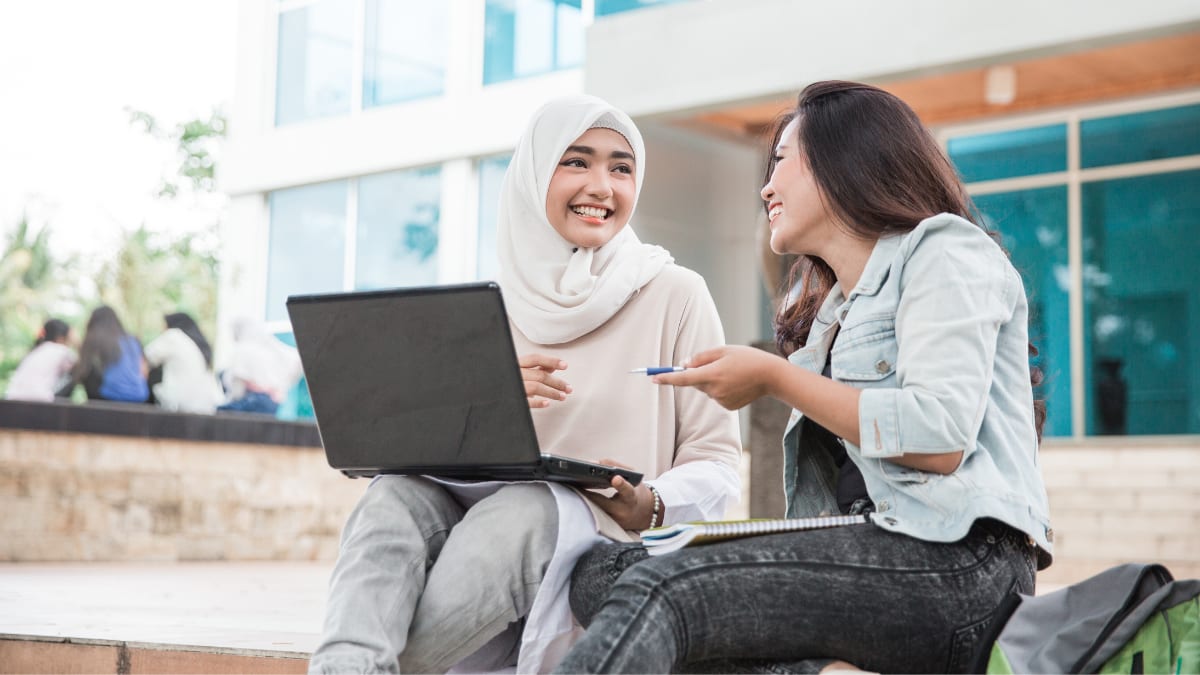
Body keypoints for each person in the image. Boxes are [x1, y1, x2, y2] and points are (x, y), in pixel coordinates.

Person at [556, 80, 1054, 675]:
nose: (766, 186)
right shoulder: (833, 317)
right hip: (871, 551)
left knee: (666, 588)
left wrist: (773, 377)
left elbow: (939, 439)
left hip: (961, 565)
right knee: (600, 575)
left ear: (846, 159)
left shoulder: (945, 250)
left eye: (782, 162)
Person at [307, 95, 742, 674]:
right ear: (534, 174)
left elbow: (717, 462)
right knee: (391, 497)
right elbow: (417, 451)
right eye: (576, 162)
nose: (601, 186)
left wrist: (653, 503)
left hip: (588, 532)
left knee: (525, 508)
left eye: (621, 167)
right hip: (468, 529)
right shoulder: (488, 304)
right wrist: (477, 398)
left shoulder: (674, 293)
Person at [62, 306, 149, 403]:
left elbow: (83, 366)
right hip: (139, 396)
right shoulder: (132, 340)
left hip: (109, 396)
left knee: (86, 370)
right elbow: (144, 372)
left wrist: (76, 343)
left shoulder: (95, 338)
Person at [216, 317, 302, 415]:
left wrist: (266, 390)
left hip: (254, 401)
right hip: (271, 403)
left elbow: (243, 379)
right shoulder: (269, 351)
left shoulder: (243, 349)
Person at [143, 312, 224, 414]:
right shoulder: (197, 345)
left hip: (179, 406)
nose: (162, 330)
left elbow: (145, 357)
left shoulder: (174, 335)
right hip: (204, 407)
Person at [5, 318, 77, 401]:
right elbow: (81, 368)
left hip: (11, 398)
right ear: (61, 338)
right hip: (38, 400)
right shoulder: (61, 350)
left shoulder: (33, 351)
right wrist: (77, 344)